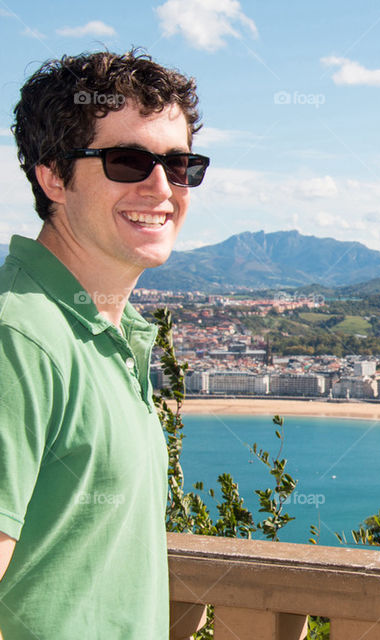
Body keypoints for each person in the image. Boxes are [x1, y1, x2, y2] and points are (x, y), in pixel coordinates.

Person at [0, 50, 208, 639]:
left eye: (180, 164)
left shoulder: (105, 331)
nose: (161, 187)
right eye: (127, 161)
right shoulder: (18, 337)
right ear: (53, 176)